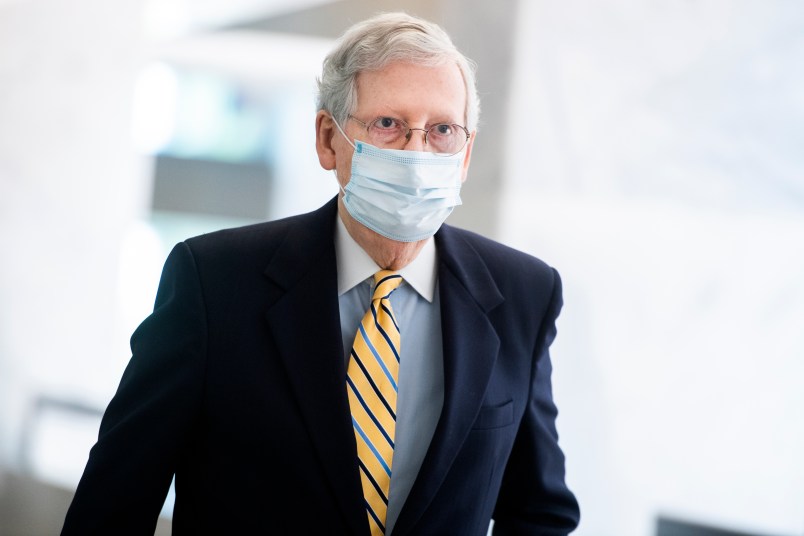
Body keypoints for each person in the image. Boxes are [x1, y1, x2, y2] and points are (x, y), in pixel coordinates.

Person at [62, 12, 579, 536]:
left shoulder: (523, 295)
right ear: (329, 139)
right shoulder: (213, 284)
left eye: (442, 130)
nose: (417, 153)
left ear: (465, 154)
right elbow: (113, 505)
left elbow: (539, 511)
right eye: (388, 125)